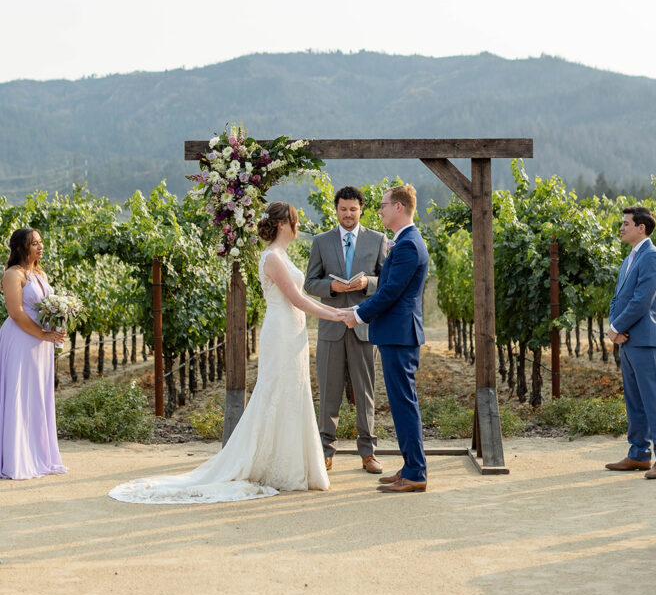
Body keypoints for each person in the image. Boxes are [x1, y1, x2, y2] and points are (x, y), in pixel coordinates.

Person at [109, 202, 347, 504]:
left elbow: (300, 300)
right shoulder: (272, 257)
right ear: (285, 224)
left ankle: (292, 464)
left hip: (293, 330)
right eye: (296, 220)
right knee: (276, 391)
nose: (299, 225)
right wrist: (336, 315)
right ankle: (274, 466)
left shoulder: (282, 255)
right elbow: (297, 299)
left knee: (294, 391)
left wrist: (338, 311)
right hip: (281, 330)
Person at [340, 184, 429, 493]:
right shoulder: (405, 242)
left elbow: (390, 292)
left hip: (399, 335)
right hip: (397, 334)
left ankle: (416, 473)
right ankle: (409, 467)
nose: (379, 210)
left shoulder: (407, 245)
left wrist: (358, 314)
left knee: (404, 405)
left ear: (399, 208)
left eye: (383, 205)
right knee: (402, 403)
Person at [304, 185, 388, 474]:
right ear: (336, 210)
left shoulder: (378, 240)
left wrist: (368, 284)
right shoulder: (321, 241)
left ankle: (368, 452)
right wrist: (332, 287)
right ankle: (325, 451)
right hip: (331, 327)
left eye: (353, 209)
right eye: (343, 209)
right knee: (328, 392)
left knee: (365, 392)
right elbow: (309, 283)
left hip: (364, 327)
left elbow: (387, 280)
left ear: (361, 209)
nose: (348, 214)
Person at [0, 228, 67, 480]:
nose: (41, 247)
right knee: (19, 394)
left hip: (41, 343)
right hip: (20, 340)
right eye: (34, 243)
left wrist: (57, 327)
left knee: (37, 396)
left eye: (41, 242)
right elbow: (16, 313)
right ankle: (18, 459)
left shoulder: (40, 273)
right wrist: (43, 334)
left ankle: (38, 455)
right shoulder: (12, 275)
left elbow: (47, 308)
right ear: (21, 248)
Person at [605, 206, 656, 479]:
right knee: (634, 401)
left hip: (645, 339)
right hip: (628, 340)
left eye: (626, 223)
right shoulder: (630, 258)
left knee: (652, 400)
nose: (621, 227)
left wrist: (618, 327)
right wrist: (613, 328)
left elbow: (642, 300)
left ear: (642, 228)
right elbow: (618, 298)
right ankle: (639, 454)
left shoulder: (652, 257)